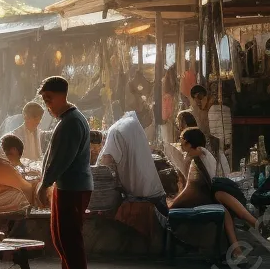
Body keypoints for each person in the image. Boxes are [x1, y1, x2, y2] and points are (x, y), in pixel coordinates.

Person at [37, 76, 93, 269]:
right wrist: (47, 181)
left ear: (62, 96)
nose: (47, 105)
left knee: (71, 238)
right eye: (44, 100)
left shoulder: (72, 121)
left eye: (49, 99)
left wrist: (45, 183)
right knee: (60, 237)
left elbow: (62, 159)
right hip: (65, 186)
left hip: (74, 187)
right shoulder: (66, 119)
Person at [170, 127, 259, 261]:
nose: (180, 143)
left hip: (214, 194)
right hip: (212, 196)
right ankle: (240, 247)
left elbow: (199, 152)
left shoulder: (201, 153)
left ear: (189, 143)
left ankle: (250, 233)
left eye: (182, 140)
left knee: (220, 197)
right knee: (223, 207)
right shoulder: (196, 159)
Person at [97, 111, 166, 202]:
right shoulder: (130, 127)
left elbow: (104, 165)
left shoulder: (116, 131)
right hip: (153, 194)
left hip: (141, 201)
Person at [0, 135, 40, 212]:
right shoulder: (1, 165)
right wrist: (36, 182)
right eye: (18, 159)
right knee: (38, 188)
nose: (16, 164)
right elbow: (26, 188)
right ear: (14, 150)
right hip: (0, 207)